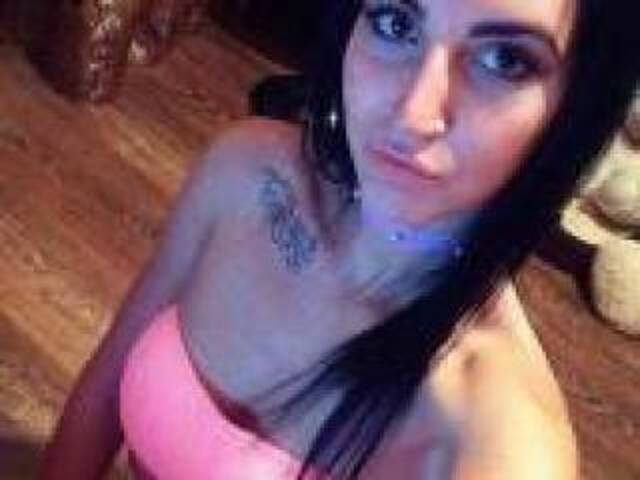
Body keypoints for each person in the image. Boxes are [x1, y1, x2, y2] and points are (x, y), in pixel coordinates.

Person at [40, 0, 640, 478]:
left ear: (574, 109)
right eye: (396, 20)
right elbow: (105, 387)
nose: (415, 113)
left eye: (504, 60)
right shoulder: (246, 172)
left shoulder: (501, 449)